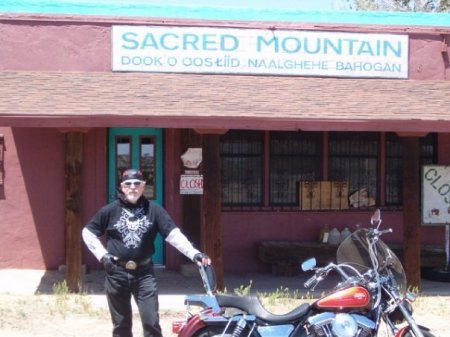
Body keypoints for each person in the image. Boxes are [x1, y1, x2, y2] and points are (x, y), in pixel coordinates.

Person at [82, 168, 210, 337]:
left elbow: (173, 235)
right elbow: (88, 232)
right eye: (128, 184)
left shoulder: (154, 210)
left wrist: (195, 254)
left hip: (144, 275)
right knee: (121, 326)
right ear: (122, 187)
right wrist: (102, 255)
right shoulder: (109, 211)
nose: (132, 187)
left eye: (137, 184)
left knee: (151, 323)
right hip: (116, 274)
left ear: (143, 187)